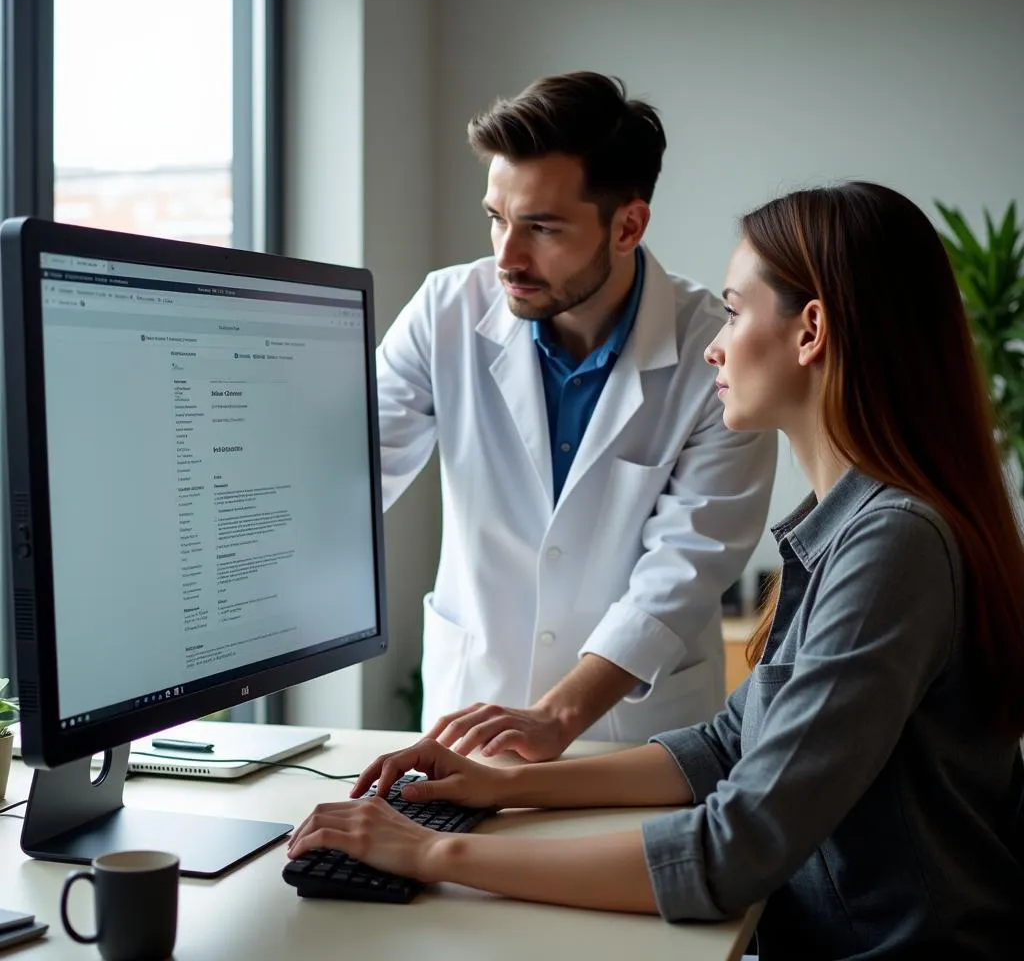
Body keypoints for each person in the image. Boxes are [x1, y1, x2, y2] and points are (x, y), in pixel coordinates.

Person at [292, 182, 1024, 958]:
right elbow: (724, 747)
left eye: (737, 313)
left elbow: (733, 849)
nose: (716, 342)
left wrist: (429, 853)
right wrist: (498, 786)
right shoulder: (856, 528)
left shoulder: (892, 547)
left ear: (811, 331)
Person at [377, 71, 776, 759]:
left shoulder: (713, 350)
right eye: (497, 218)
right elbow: (352, 474)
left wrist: (558, 718)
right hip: (470, 720)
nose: (507, 256)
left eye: (541, 227)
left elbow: (685, 567)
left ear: (628, 225)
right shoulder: (446, 310)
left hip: (631, 739)